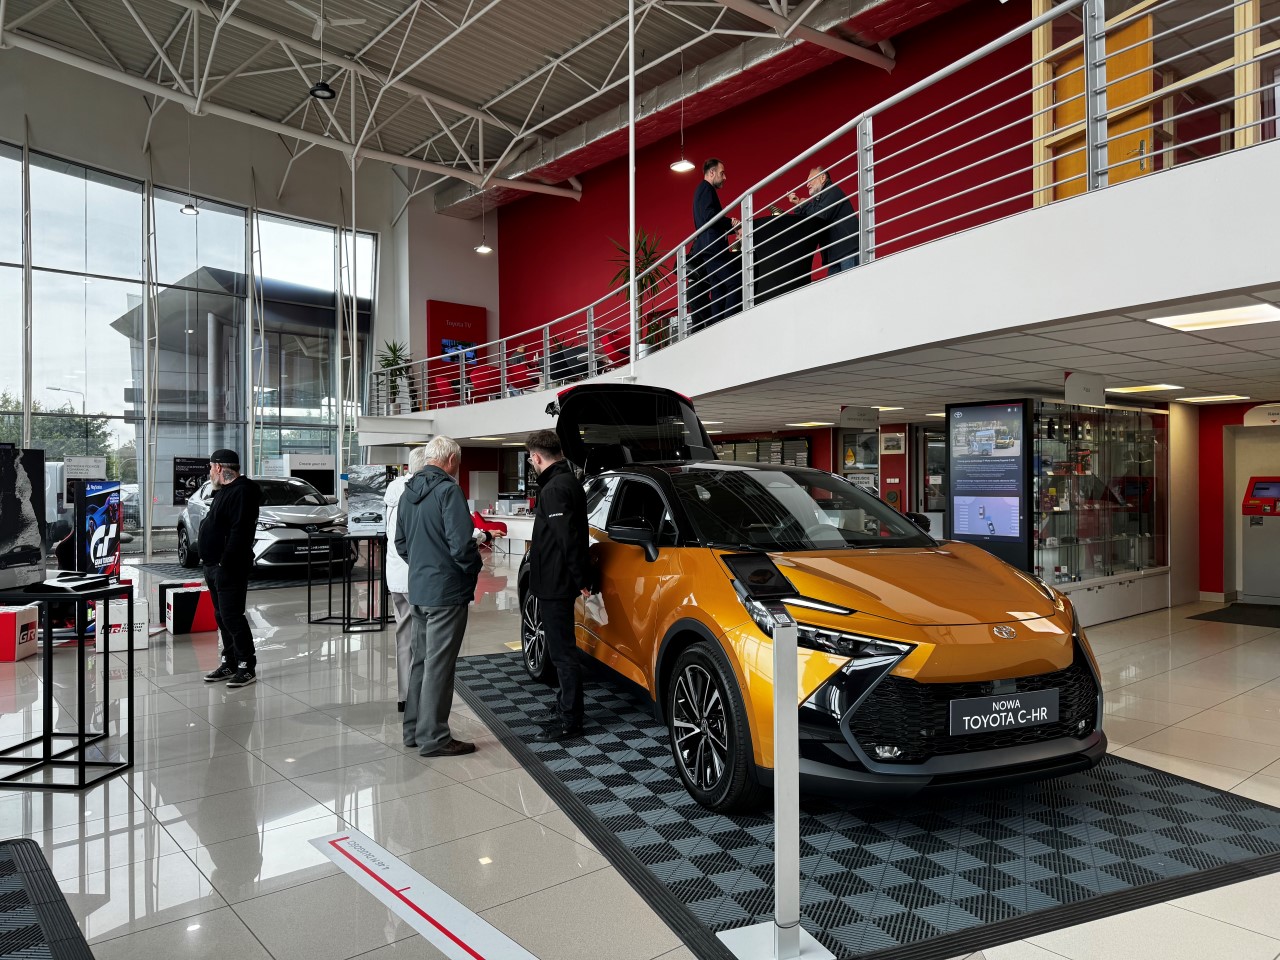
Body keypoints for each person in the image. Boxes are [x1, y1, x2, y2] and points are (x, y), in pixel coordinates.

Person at [394, 436, 483, 757]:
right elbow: (461, 545)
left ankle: (414, 731)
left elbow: (400, 543)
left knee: (421, 661)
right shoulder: (448, 491)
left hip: (419, 589)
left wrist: (423, 566)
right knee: (439, 666)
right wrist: (473, 568)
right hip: (446, 592)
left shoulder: (408, 493)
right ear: (451, 460)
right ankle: (434, 737)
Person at [525, 429, 592, 743]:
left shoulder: (555, 488)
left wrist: (582, 579)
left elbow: (569, 539)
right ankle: (564, 706)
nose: (531, 463)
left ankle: (570, 720)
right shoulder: (567, 481)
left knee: (563, 654)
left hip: (556, 582)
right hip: (555, 580)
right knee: (560, 650)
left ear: (537, 457)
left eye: (531, 459)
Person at [200, 449, 262, 688]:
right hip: (214, 566)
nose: (210, 472)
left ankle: (247, 666)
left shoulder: (243, 491)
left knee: (232, 616)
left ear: (218, 467)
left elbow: (240, 532)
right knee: (221, 616)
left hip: (229, 567)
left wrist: (225, 562)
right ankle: (230, 662)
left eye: (210, 467)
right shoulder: (224, 491)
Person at [384, 446, 430, 713]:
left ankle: (404, 696)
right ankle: (419, 695)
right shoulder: (419, 493)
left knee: (403, 636)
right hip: (415, 575)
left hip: (394, 575)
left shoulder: (392, 492)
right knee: (423, 639)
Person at [690, 157, 741, 330]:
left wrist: (731, 226)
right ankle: (726, 325)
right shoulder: (706, 189)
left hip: (708, 248)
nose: (724, 177)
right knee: (735, 282)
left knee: (718, 289)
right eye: (722, 173)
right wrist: (731, 224)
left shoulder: (701, 190)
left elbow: (709, 218)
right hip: (713, 248)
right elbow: (710, 217)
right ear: (711, 173)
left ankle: (718, 328)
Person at [788, 166, 860, 274]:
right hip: (835, 255)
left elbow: (821, 215)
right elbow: (810, 221)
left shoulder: (832, 190)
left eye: (810, 180)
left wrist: (805, 204)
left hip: (848, 251)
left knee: (851, 283)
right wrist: (798, 204)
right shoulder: (818, 200)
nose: (807, 185)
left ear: (822, 178)